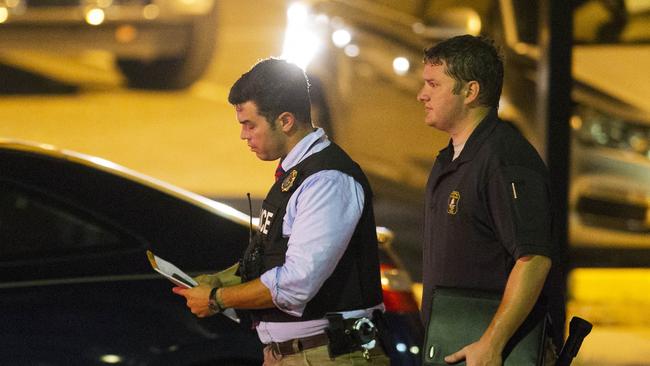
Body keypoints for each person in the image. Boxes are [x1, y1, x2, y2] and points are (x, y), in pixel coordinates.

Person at [173, 58, 390, 365]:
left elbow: (295, 284)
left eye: (250, 124)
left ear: (286, 121)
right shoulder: (296, 175)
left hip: (331, 355)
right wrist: (219, 281)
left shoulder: (327, 181)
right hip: (295, 354)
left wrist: (217, 299)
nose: (243, 136)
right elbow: (270, 258)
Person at [417, 35, 562, 365]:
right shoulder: (451, 159)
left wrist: (492, 343)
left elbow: (534, 260)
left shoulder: (504, 160)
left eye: (433, 84)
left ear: (470, 91)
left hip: (491, 355)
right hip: (455, 347)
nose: (421, 95)